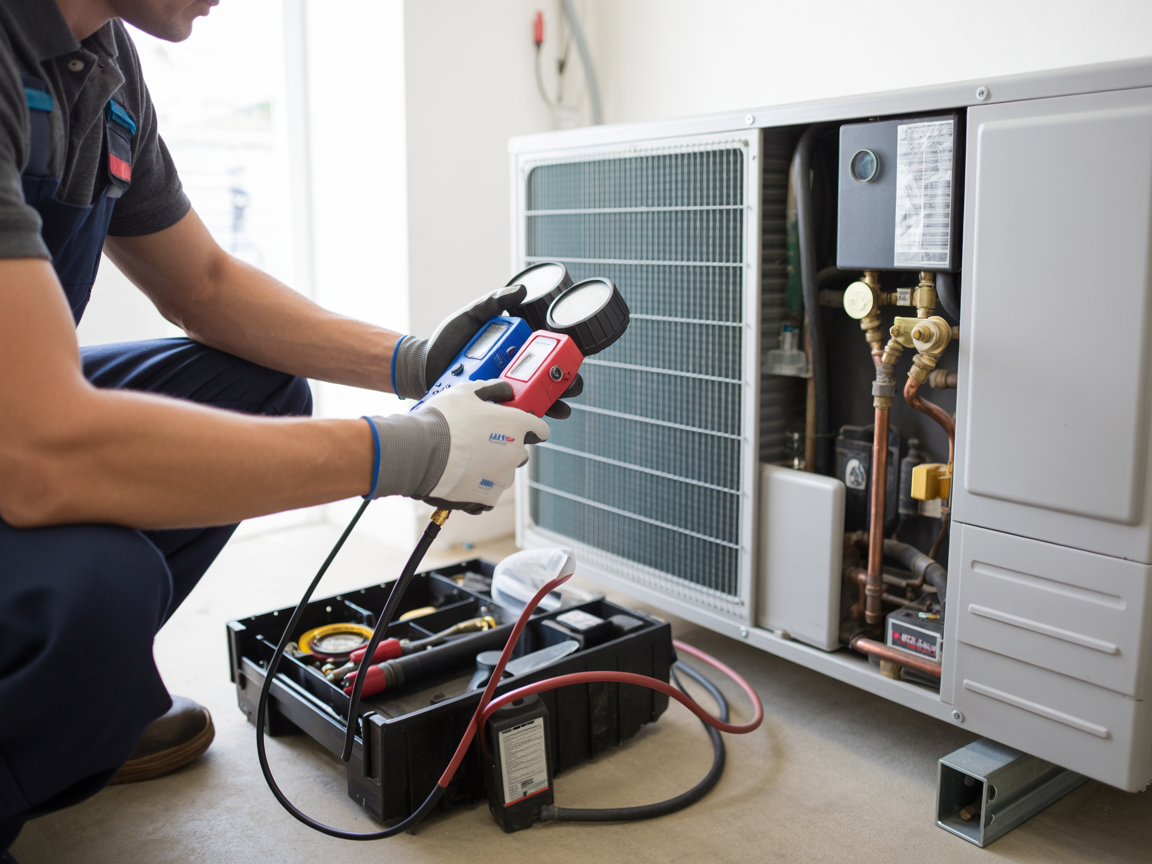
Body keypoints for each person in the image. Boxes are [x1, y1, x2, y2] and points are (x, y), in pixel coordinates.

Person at [0, 0, 578, 854]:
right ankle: (56, 692)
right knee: (101, 584)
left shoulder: (103, 61)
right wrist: (401, 451)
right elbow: (42, 451)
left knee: (254, 388)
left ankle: (69, 699)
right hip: (24, 430)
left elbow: (202, 283)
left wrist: (414, 362)